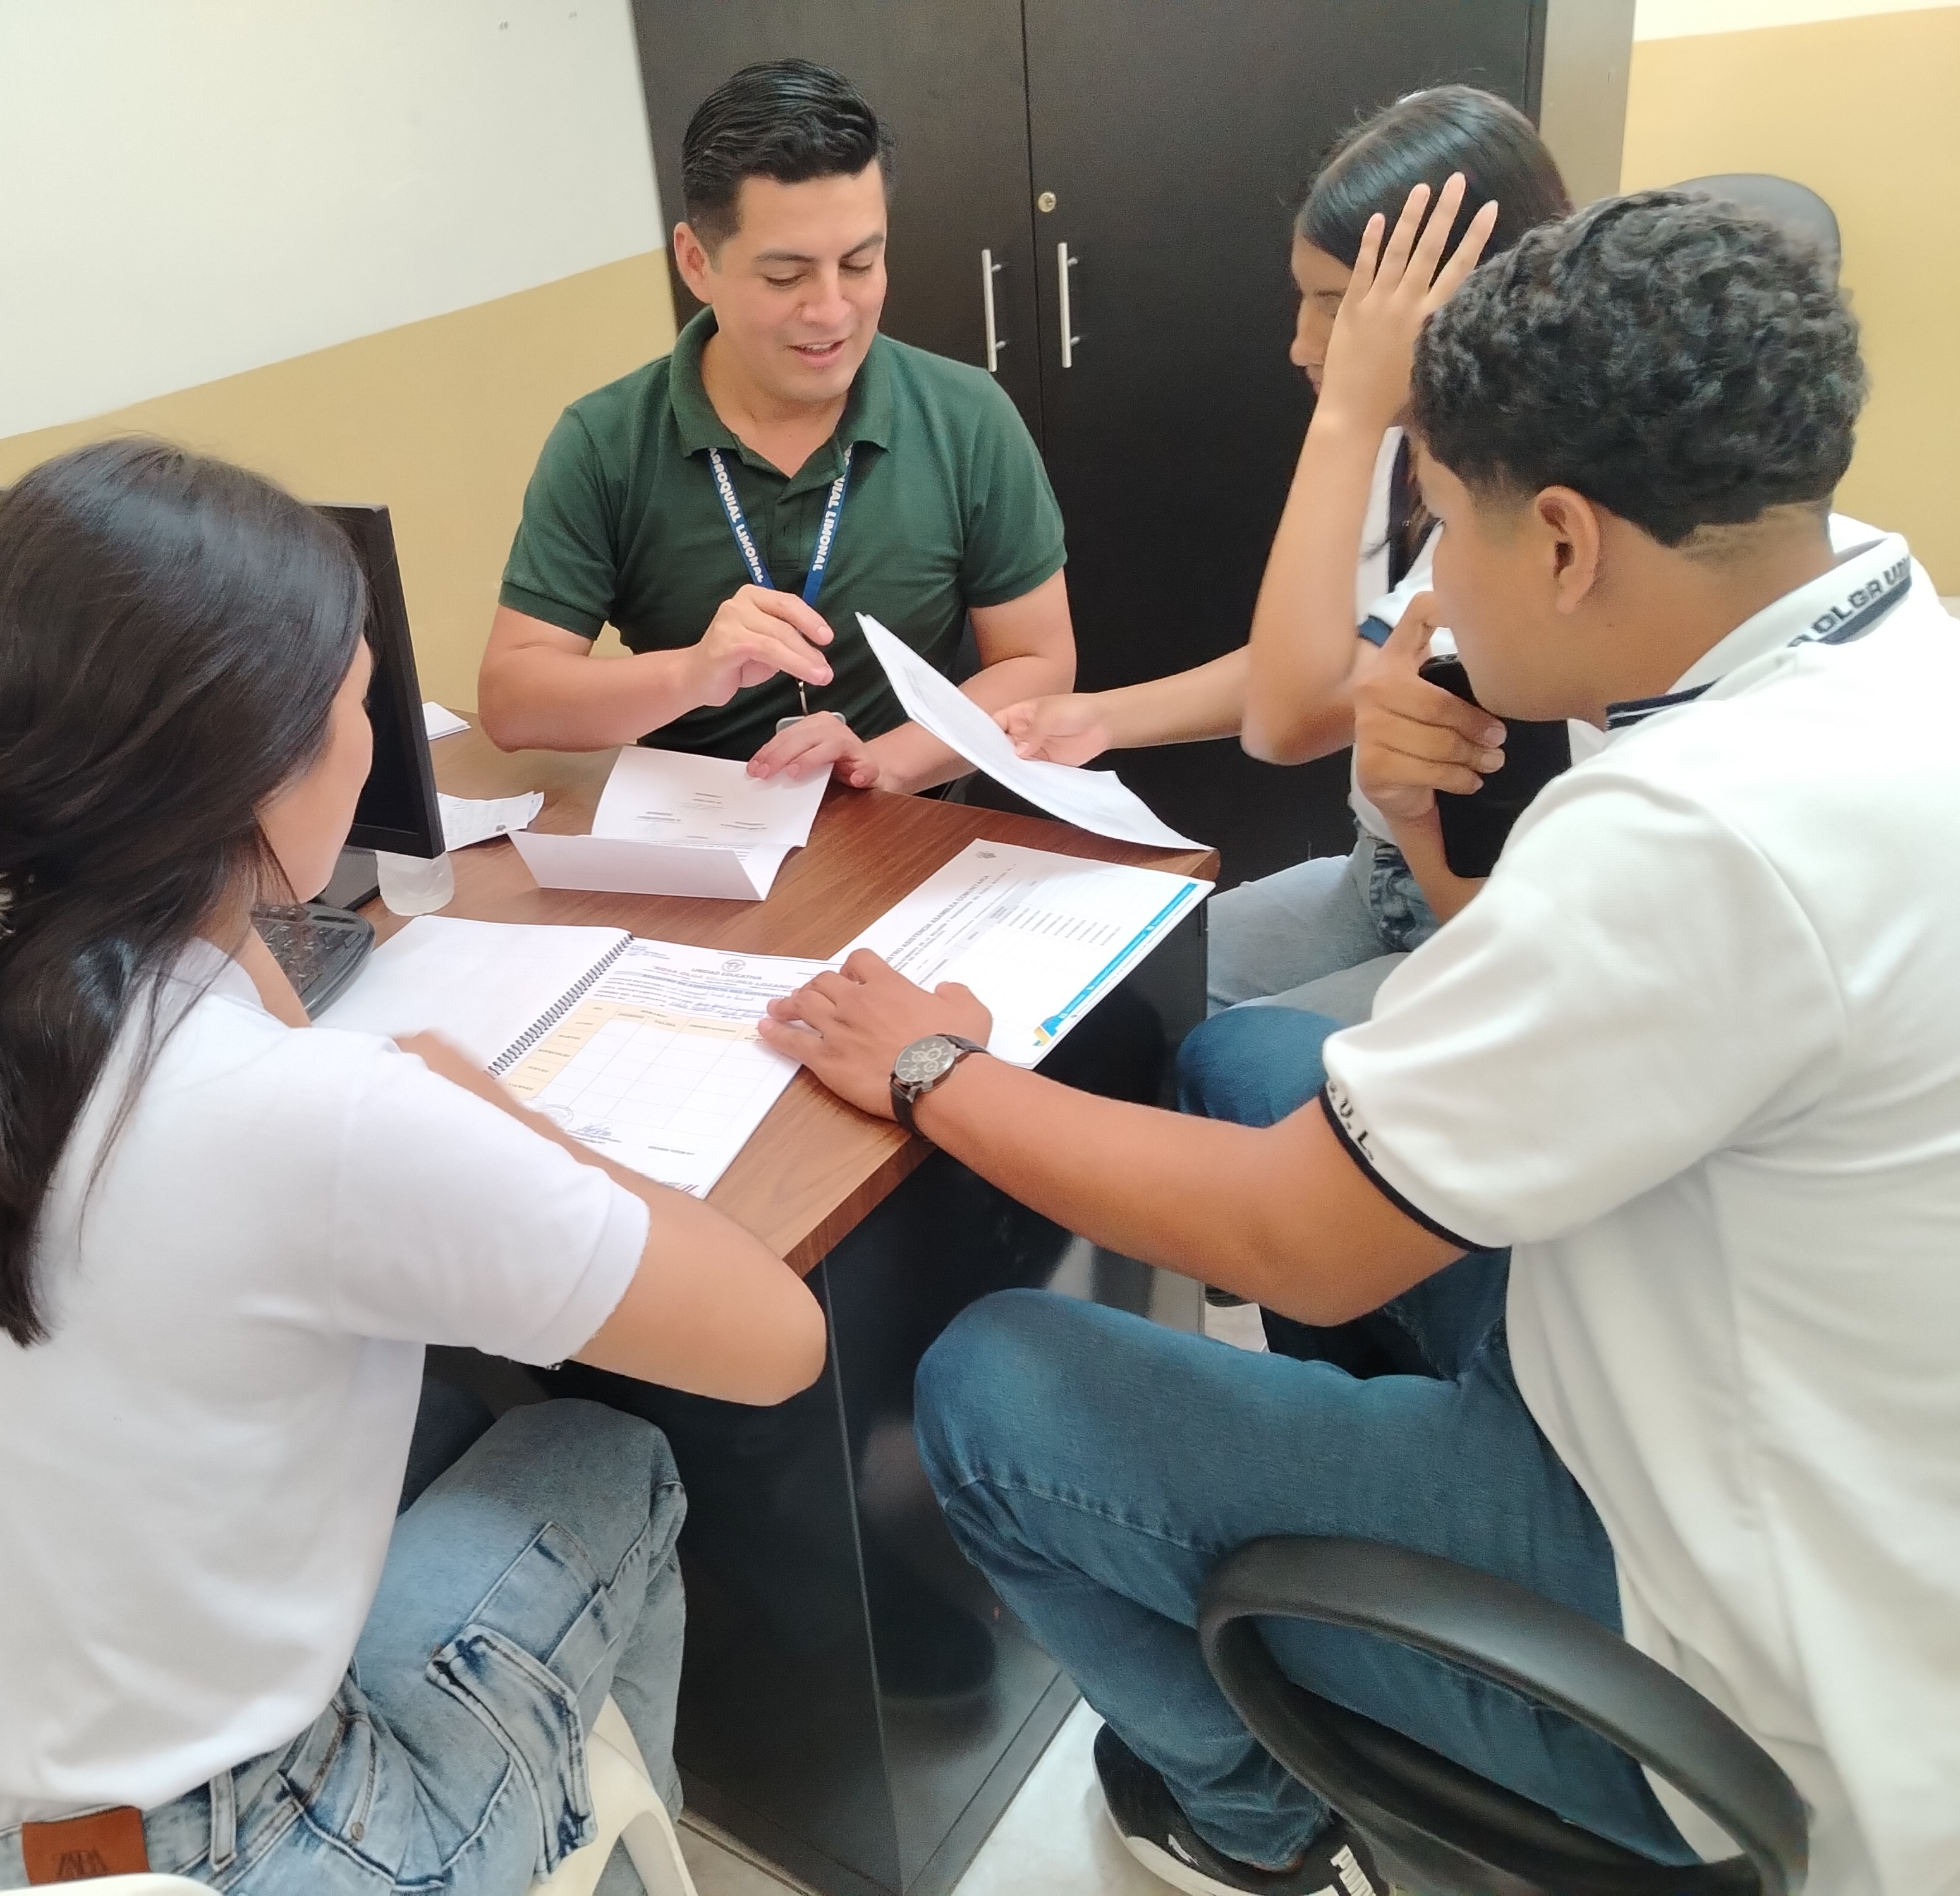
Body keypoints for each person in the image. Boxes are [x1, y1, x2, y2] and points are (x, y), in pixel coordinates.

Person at [758, 194, 1960, 1896]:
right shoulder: (1871, 621)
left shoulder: (1696, 829)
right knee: (1252, 1068)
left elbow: (1296, 1244)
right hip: (1736, 1367)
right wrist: (1417, 808)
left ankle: (1254, 1824)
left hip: (1722, 1636)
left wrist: (935, 1069)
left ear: (1565, 541)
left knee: (992, 1385)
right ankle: (1339, 1534)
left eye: (1446, 534)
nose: (1433, 595)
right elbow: (1571, 1004)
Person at [0, 439, 827, 1895]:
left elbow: (238, 1036)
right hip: (238, 1854)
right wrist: (500, 1118)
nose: (374, 735)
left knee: (434, 1414)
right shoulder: (310, 1125)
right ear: (258, 768)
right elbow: (778, 1341)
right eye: (359, 702)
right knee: (606, 1455)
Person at [996, 87, 1568, 1021]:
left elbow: (1288, 721)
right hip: (1380, 870)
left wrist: (1345, 414)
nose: (1302, 343)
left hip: (1490, 916)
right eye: (1304, 300)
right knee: (1104, 997)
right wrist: (1100, 717)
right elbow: (1320, 664)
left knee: (1221, 1054)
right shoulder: (1403, 442)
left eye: (1338, 308)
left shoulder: (1512, 499)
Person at [480, 58, 1074, 796]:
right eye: (785, 277)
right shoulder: (606, 441)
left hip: (898, 824)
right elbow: (512, 701)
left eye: (859, 264)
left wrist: (881, 762)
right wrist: (691, 673)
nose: (829, 311)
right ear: (696, 262)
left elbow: (1037, 662)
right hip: (689, 828)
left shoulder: (966, 417)